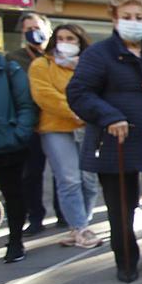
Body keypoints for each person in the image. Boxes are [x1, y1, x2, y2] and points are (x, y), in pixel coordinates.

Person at [67, 0, 142, 283]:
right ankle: (126, 261)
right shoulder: (98, 54)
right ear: (115, 19)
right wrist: (109, 116)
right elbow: (79, 93)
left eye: (139, 18)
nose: (134, 22)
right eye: (127, 17)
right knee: (122, 205)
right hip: (117, 142)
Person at [28, 24, 102, 249]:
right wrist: (76, 110)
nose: (65, 42)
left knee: (89, 181)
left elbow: (96, 91)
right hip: (55, 129)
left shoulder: (89, 66)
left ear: (80, 42)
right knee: (69, 179)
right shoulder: (41, 65)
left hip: (86, 127)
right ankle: (80, 228)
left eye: (70, 38)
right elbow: (44, 96)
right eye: (60, 38)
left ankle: (80, 224)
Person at [7, 12, 63, 235]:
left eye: (37, 27)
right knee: (31, 173)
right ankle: (36, 216)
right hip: (31, 125)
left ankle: (64, 213)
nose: (33, 32)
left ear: (47, 29)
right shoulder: (15, 58)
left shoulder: (58, 55)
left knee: (62, 171)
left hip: (57, 121)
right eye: (28, 28)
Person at [0, 46, 38, 262]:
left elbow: (26, 106)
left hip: (7, 145)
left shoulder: (10, 70)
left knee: (13, 194)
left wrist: (18, 135)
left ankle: (15, 241)